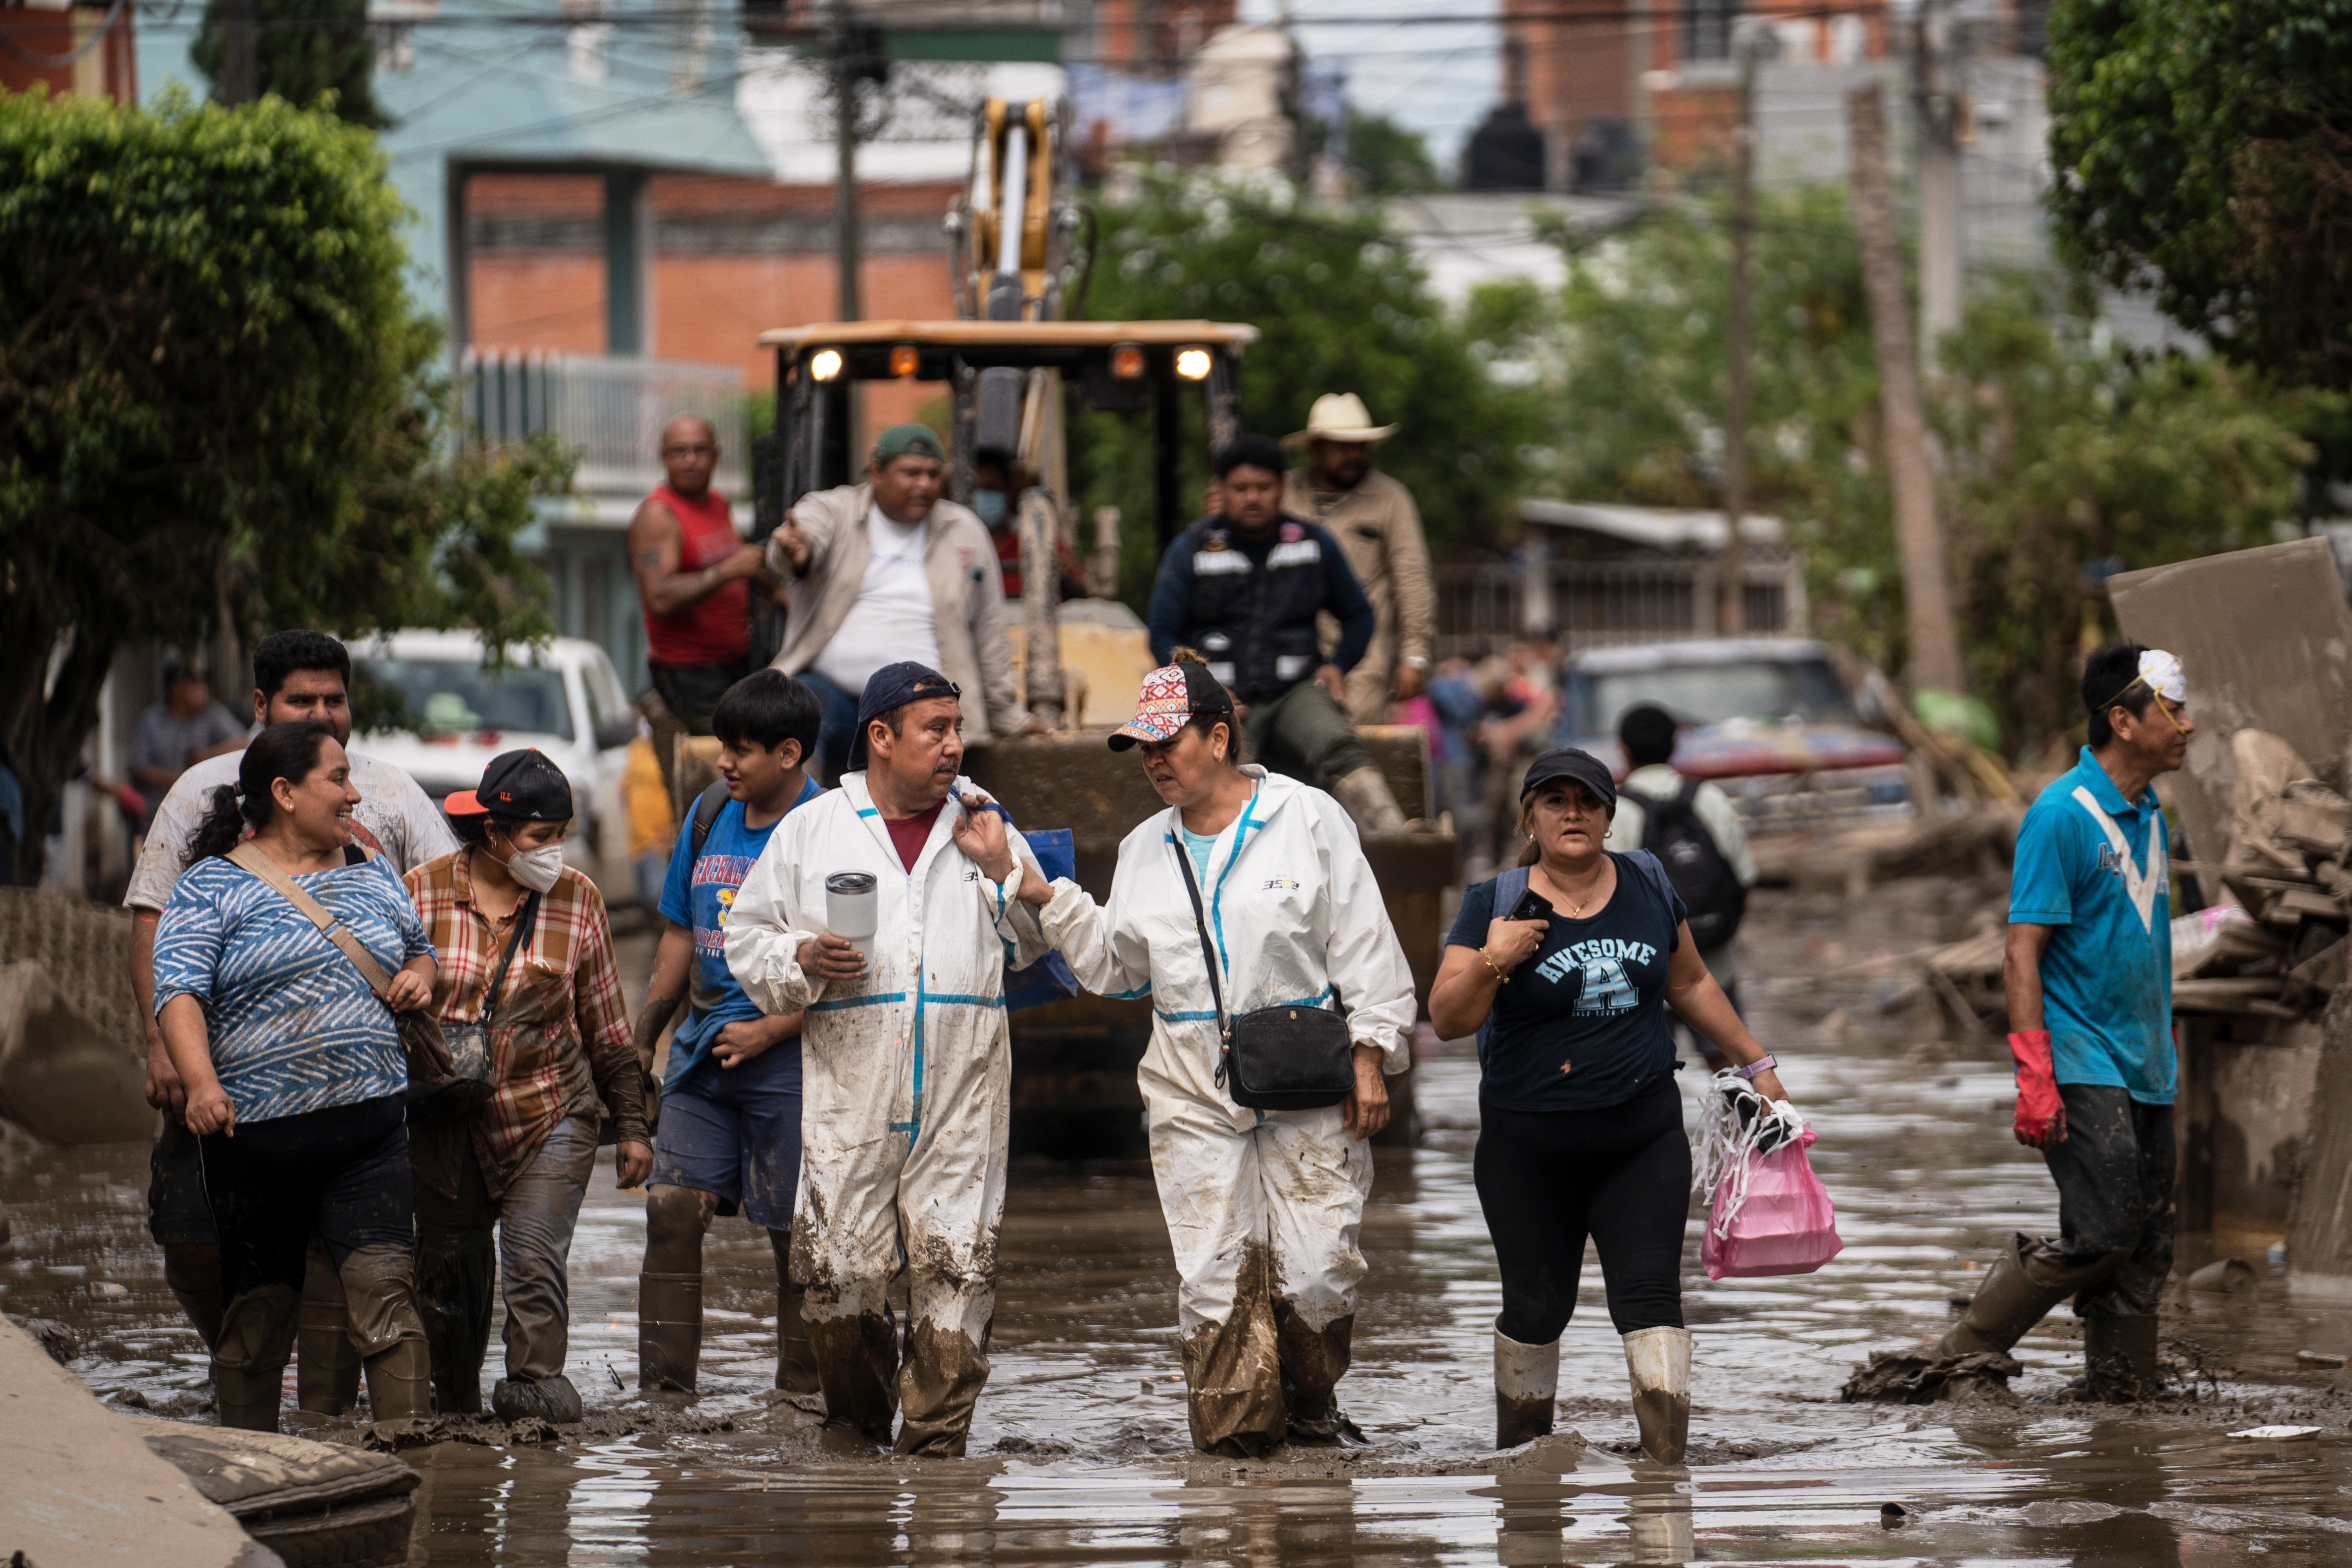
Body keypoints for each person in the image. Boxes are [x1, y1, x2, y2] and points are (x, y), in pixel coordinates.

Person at [976, 653, 1415, 1453]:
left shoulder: (1308, 818)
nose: (1151, 761)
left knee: (1317, 1275)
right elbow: (1115, 967)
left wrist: (1372, 1052)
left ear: (1218, 737)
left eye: (1165, 743)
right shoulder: (1147, 846)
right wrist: (1041, 893)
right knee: (1215, 1280)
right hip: (1187, 1082)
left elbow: (1365, 943)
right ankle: (1236, 1459)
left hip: (1304, 1074)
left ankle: (1311, 1414)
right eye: (1141, 748)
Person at [724, 662, 1052, 1455]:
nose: (953, 745)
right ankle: (859, 1431)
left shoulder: (982, 818)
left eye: (957, 727)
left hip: (963, 1088)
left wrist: (1003, 870)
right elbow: (746, 938)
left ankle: (937, 1448)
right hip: (852, 1086)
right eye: (934, 729)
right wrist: (803, 954)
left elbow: (1039, 943)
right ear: (880, 737)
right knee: (838, 1273)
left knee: (958, 1268)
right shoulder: (815, 827)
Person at [1427, 748, 1792, 1461]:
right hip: (1527, 1146)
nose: (1573, 813)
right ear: (1529, 815)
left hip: (1641, 1134)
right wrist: (1495, 958)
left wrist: (1758, 1063)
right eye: (1556, 800)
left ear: (1609, 814)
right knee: (1537, 1310)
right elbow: (1446, 1018)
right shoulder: (1494, 901)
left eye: (1588, 801)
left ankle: (1664, 1479)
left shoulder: (1648, 881)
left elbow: (1689, 983)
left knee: (1652, 1298)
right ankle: (1522, 1472)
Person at [126, 630, 457, 1414]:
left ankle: (404, 1468)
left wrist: (419, 976)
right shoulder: (210, 886)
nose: (353, 794)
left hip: (369, 1130)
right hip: (255, 1136)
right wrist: (196, 1078)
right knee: (256, 1311)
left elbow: (422, 945)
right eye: (336, 782)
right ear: (283, 790)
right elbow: (175, 988)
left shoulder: (372, 869)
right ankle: (254, 1468)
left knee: (384, 1297)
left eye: (333, 700)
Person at [1863, 645, 2192, 1405]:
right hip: (2082, 1056)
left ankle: (2122, 1399)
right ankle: (1961, 1350)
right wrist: (2034, 1072)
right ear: (2123, 719)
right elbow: (2021, 951)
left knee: (2147, 1246)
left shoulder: (2149, 816)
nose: (2189, 725)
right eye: (2173, 710)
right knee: (2104, 1232)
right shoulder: (2059, 816)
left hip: (2146, 1060)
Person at [404, 749, 652, 1422]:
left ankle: (535, 1397)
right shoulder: (419, 891)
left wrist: (630, 1127)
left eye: (560, 836)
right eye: (540, 837)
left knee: (533, 1257)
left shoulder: (579, 899)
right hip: (447, 1122)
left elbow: (607, 1027)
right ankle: (453, 1410)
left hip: (551, 1112)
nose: (555, 852)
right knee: (448, 1272)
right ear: (494, 832)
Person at [632, 671, 825, 1394]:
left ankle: (802, 1400)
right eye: (723, 746)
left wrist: (769, 1031)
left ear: (788, 752)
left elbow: (856, 968)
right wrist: (646, 1033)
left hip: (793, 1061)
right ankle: (663, 1401)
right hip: (702, 1055)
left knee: (795, 1237)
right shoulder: (711, 812)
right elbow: (682, 930)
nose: (724, 762)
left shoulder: (831, 829)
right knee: (671, 1207)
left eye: (741, 750)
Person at [1144, 434, 1410, 834]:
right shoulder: (1193, 547)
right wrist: (1201, 691)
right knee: (1210, 765)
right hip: (1218, 698)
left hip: (1295, 690)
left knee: (1336, 741)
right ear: (1221, 491)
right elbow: (1162, 630)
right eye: (1240, 489)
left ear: (1282, 488)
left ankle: (1395, 835)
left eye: (1264, 488)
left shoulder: (1312, 542)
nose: (1253, 498)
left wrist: (1338, 666)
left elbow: (1359, 614)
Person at [766, 423, 1048, 780]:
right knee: (797, 708)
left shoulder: (964, 529)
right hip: (834, 696)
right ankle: (801, 824)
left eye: (933, 474)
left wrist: (1009, 716)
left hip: (921, 704)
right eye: (911, 473)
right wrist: (795, 550)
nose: (925, 485)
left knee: (925, 761)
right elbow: (799, 540)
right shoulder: (836, 510)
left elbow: (990, 630)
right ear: (877, 473)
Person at [1280, 394, 1435, 726]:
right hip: (1286, 652)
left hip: (1362, 661)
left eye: (1361, 445)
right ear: (1315, 449)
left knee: (1348, 749)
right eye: (1342, 445)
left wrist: (1415, 656)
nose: (1354, 454)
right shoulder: (1281, 493)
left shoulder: (1391, 499)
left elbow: (1412, 578)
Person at [1605, 702, 1757, 1029]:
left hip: (1645, 973)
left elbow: (1609, 897)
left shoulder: (1616, 811)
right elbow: (1745, 875)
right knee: (1731, 1063)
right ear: (1675, 743)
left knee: (1650, 1071)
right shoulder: (1709, 797)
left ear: (1623, 751)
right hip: (1716, 960)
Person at [630, 413, 774, 736]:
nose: (691, 461)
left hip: (739, 664)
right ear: (664, 457)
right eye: (680, 452)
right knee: (723, 766)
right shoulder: (658, 515)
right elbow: (660, 597)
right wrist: (725, 572)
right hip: (693, 674)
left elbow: (744, 565)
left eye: (700, 450)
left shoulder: (718, 503)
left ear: (716, 456)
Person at [127, 657, 246, 821]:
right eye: (195, 684)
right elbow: (139, 769)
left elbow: (243, 742)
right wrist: (186, 778)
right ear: (176, 688)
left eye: (203, 683)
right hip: (156, 813)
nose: (204, 689)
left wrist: (207, 755)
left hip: (200, 814)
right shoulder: (152, 720)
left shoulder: (211, 714)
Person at [972, 450, 1087, 602]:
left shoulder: (1041, 542)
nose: (982, 497)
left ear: (1009, 493)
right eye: (975, 490)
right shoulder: (958, 545)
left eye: (991, 488)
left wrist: (1067, 574)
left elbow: (1083, 597)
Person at [622, 724, 677, 913]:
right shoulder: (636, 747)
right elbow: (625, 788)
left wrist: (675, 829)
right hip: (639, 845)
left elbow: (682, 793)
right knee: (646, 904)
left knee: (659, 902)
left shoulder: (675, 749)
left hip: (660, 844)